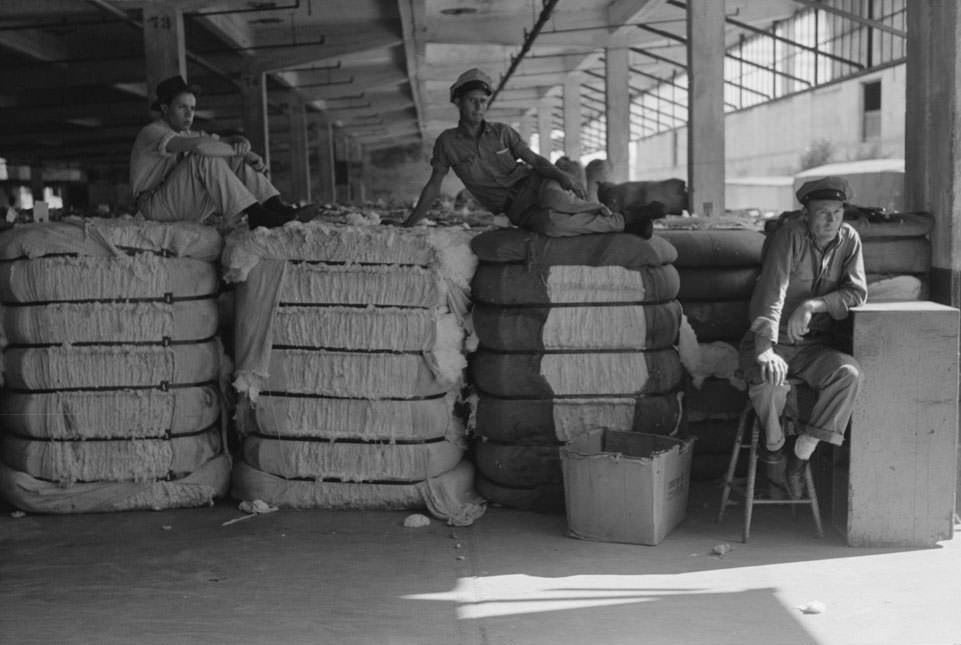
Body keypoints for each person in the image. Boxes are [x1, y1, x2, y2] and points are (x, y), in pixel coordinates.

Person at [402, 68, 660, 237]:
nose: (479, 107)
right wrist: (408, 225)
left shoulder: (503, 132)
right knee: (553, 226)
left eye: (483, 101)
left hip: (538, 184)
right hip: (516, 209)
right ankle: (627, 220)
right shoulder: (447, 143)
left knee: (557, 201)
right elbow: (434, 186)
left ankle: (607, 213)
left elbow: (534, 160)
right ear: (458, 102)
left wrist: (562, 177)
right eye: (472, 100)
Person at [739, 176, 867, 498]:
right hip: (774, 341)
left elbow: (856, 292)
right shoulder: (789, 236)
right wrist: (765, 348)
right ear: (806, 212)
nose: (831, 220)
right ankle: (774, 448)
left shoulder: (850, 239)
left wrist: (813, 304)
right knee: (769, 382)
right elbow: (773, 290)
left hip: (813, 347)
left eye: (837, 212)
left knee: (849, 374)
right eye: (823, 212)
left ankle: (801, 454)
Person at [130, 75, 311, 229]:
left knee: (227, 155)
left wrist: (244, 147)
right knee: (203, 157)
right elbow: (201, 146)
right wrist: (239, 151)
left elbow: (225, 141)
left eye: (192, 108)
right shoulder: (152, 132)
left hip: (181, 203)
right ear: (165, 108)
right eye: (182, 107)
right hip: (154, 206)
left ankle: (275, 206)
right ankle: (256, 213)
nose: (189, 114)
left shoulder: (187, 133)